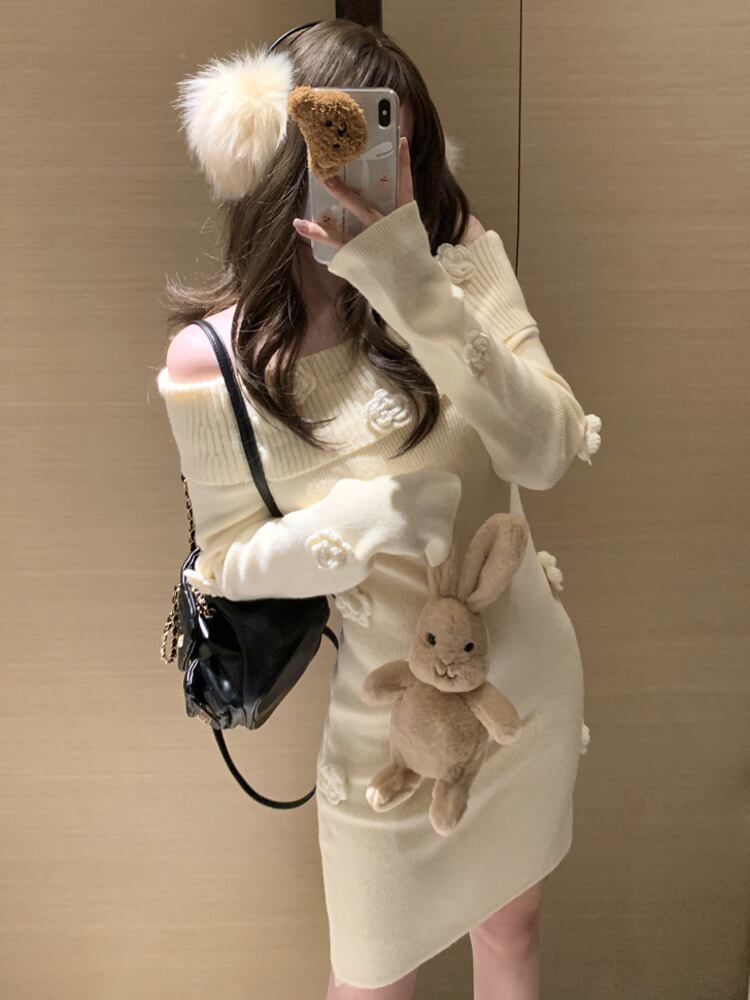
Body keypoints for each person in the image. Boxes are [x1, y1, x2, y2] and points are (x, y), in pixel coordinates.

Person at [156, 19, 601, 999]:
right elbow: (227, 563)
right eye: (338, 138)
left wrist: (412, 282)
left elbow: (546, 451)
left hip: (522, 683)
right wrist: (367, 523)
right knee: (372, 976)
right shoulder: (216, 359)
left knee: (513, 928)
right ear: (281, 161)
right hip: (384, 727)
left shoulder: (461, 258)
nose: (365, 161)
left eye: (385, 134)